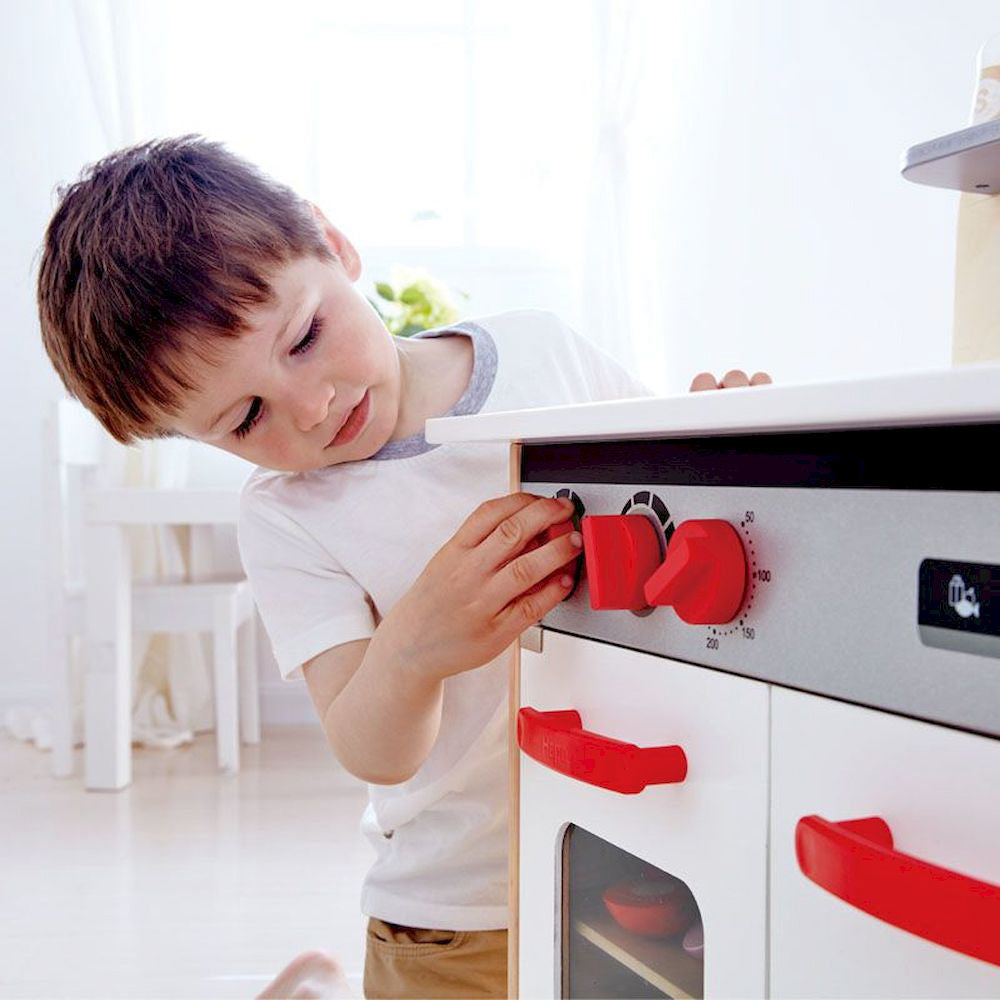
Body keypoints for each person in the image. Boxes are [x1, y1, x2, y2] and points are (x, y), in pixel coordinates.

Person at [37, 135, 769, 999]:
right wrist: (417, 644)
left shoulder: (542, 355)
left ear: (333, 244)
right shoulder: (287, 518)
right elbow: (370, 748)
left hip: (637, 852)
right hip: (456, 912)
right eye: (246, 419)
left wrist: (735, 436)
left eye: (306, 336)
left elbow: (679, 496)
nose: (311, 410)